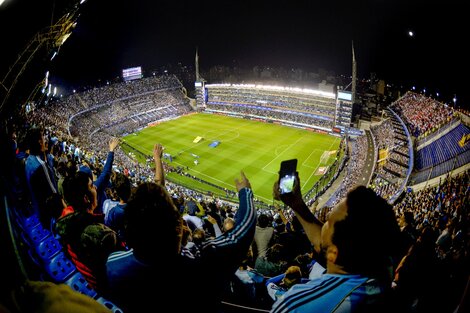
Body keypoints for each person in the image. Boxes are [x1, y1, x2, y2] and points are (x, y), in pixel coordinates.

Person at [105, 143, 257, 313]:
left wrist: (157, 161)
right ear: (179, 227)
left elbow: (153, 214)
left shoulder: (113, 265)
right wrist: (245, 193)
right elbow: (242, 232)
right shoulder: (200, 263)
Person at [270, 173, 401, 313]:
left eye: (327, 221)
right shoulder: (381, 267)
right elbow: (327, 241)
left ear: (333, 254)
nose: (323, 223)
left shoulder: (294, 304)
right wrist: (296, 204)